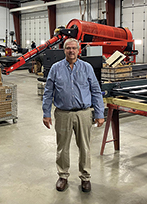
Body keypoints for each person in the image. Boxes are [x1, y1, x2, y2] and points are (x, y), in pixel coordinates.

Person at [42, 38, 105, 193]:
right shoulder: (56, 68)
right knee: (62, 147)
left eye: (74, 48)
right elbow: (48, 92)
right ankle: (63, 176)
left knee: (84, 146)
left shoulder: (87, 68)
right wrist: (46, 113)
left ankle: (85, 177)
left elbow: (96, 91)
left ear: (79, 50)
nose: (71, 51)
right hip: (63, 113)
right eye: (68, 48)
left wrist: (99, 113)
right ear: (64, 50)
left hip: (83, 114)